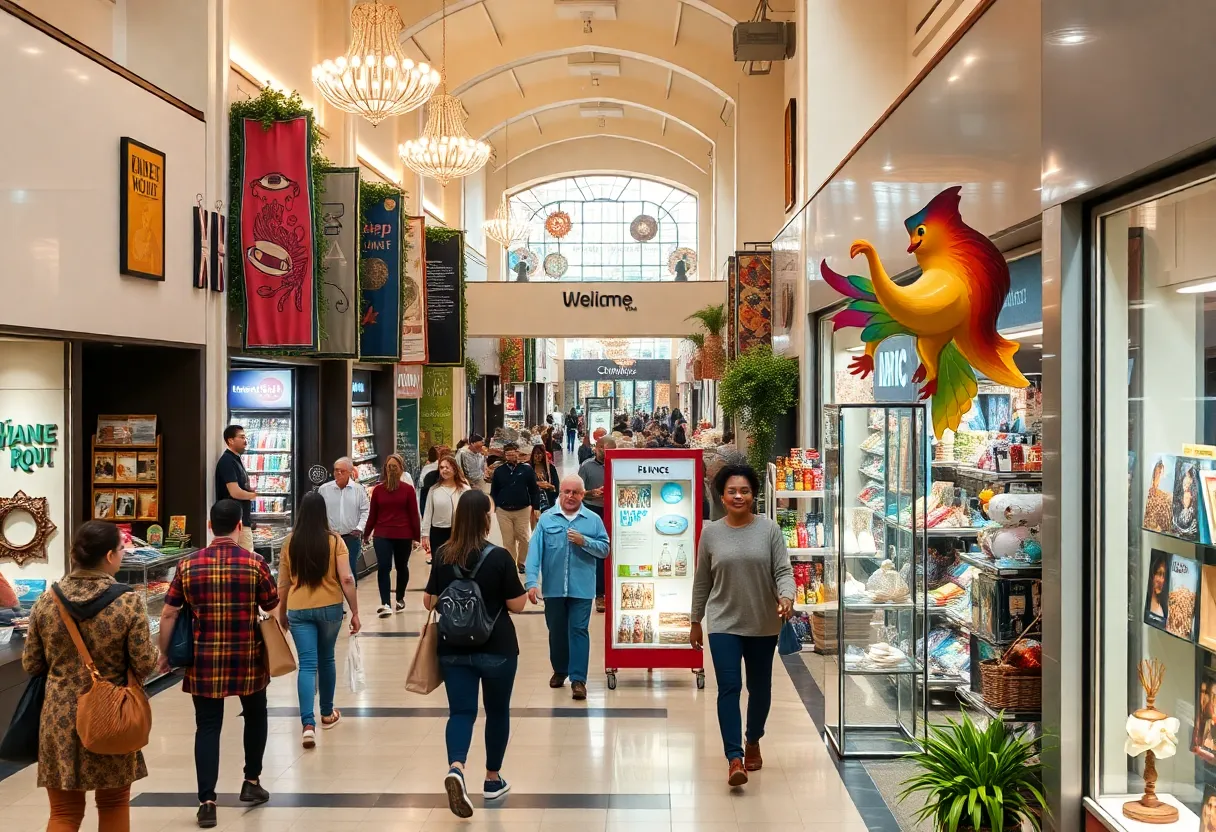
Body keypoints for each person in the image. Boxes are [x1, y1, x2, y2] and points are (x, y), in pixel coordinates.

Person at [21, 521, 158, 832]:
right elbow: (143, 661)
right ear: (109, 555)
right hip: (111, 714)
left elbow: (31, 663)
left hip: (60, 717)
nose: (123, 555)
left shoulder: (47, 600)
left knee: (64, 813)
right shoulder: (127, 601)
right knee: (113, 804)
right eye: (122, 550)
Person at [158, 499, 279, 828]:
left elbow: (169, 612)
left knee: (207, 726)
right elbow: (271, 604)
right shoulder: (255, 563)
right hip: (248, 657)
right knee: (255, 716)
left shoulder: (188, 565)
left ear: (210, 526)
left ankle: (207, 801)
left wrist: (164, 652)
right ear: (239, 526)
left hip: (205, 659)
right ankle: (251, 782)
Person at [423, 490, 527, 818]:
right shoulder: (498, 557)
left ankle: (456, 767)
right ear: (485, 518)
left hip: (452, 648)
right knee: (497, 712)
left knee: (461, 713)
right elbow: (517, 605)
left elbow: (429, 601)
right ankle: (492, 780)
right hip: (497, 648)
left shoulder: (443, 555)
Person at [690, 463, 794, 787]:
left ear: (753, 496)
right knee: (730, 687)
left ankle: (753, 739)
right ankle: (734, 757)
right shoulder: (710, 533)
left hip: (764, 623)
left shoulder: (769, 531)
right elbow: (702, 582)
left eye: (745, 491)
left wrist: (787, 597)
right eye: (732, 491)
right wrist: (695, 620)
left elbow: (784, 571)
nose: (738, 496)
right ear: (721, 496)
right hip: (723, 622)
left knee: (760, 689)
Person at [276, 492, 361, 749]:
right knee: (327, 659)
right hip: (330, 607)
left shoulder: (290, 542)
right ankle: (327, 713)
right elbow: (346, 578)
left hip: (299, 609)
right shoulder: (335, 541)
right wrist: (355, 611)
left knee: (307, 665)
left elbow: (283, 583)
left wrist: (282, 613)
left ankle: (307, 725)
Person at [524, 475, 610, 701]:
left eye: (575, 492)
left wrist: (585, 541)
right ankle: (560, 669)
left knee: (579, 631)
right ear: (560, 493)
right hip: (553, 589)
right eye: (566, 492)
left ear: (583, 495)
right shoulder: (546, 519)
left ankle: (579, 679)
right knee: (557, 631)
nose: (570, 496)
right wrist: (532, 582)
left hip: (582, 589)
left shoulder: (592, 520)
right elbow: (535, 552)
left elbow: (605, 549)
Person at [363, 453, 421, 618]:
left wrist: (416, 537)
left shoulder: (408, 490)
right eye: (389, 467)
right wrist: (366, 533)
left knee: (402, 566)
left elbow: (413, 515)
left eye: (395, 467)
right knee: (384, 567)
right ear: (385, 469)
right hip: (382, 534)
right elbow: (373, 514)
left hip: (403, 534)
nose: (392, 470)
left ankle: (400, 597)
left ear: (401, 469)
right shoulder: (378, 491)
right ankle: (385, 603)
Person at [489, 443, 541, 573]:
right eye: (508, 454)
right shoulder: (499, 471)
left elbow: (534, 490)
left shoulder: (527, 469)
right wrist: (493, 506)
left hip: (523, 509)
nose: (510, 456)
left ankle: (521, 562)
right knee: (508, 540)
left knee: (524, 539)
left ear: (518, 453)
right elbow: (494, 491)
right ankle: (511, 564)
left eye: (513, 453)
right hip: (503, 510)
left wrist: (536, 507)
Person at [318, 457, 370, 583]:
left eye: (342, 471)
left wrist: (359, 528)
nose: (339, 474)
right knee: (330, 572)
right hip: (330, 538)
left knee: (349, 572)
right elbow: (318, 512)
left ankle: (351, 599)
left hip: (351, 538)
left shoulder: (358, 490)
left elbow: (365, 511)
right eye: (336, 470)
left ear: (350, 472)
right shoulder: (324, 489)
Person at [578, 436, 615, 612]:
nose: (606, 453)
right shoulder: (586, 467)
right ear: (597, 448)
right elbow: (577, 493)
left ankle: (614, 590)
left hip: (615, 512)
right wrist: (591, 493)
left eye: (610, 450)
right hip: (594, 512)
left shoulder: (620, 465)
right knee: (598, 552)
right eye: (603, 449)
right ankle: (599, 594)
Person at [214, 424, 257, 551]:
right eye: (242, 437)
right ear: (230, 440)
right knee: (245, 563)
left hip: (238, 522)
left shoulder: (234, 459)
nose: (245, 441)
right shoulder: (227, 461)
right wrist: (253, 495)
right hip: (236, 523)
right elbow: (235, 492)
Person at [422, 454, 471, 561]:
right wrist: (425, 534)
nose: (444, 470)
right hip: (438, 531)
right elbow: (428, 512)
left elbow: (470, 512)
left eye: (447, 467)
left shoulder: (465, 490)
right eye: (441, 467)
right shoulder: (434, 490)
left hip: (459, 531)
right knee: (439, 562)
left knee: (457, 561)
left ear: (455, 468)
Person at [529, 443, 560, 527]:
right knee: (535, 529)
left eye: (540, 453)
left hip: (548, 503)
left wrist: (549, 486)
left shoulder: (550, 468)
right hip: (532, 505)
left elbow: (556, 487)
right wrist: (537, 484)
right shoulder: (528, 468)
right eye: (535, 453)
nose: (537, 456)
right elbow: (524, 484)